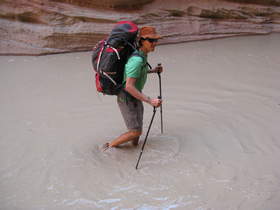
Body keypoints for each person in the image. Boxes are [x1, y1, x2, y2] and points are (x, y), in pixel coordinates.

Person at [102, 26, 163, 151]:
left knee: (137, 130)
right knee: (135, 131)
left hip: (135, 96)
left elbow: (137, 73)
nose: (154, 43)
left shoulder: (142, 55)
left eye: (155, 40)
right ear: (141, 41)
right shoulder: (136, 60)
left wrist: (153, 71)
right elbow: (129, 86)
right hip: (127, 97)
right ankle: (108, 147)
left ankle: (133, 148)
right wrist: (150, 101)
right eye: (151, 40)